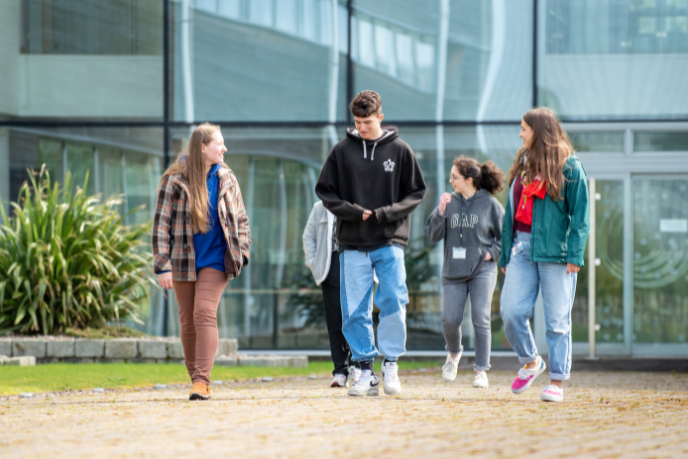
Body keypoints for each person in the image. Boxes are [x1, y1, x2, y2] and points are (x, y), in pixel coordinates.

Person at [315, 90, 426, 397]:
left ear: (380, 117)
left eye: (367, 121)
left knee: (393, 301)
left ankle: (390, 363)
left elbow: (416, 193)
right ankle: (364, 370)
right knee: (354, 310)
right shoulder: (341, 151)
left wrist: (386, 214)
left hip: (389, 240)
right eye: (357, 122)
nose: (362, 127)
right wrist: (352, 211)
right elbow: (325, 191)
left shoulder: (401, 151)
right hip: (352, 242)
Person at [152, 123, 251, 401]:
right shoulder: (174, 180)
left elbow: (240, 218)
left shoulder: (227, 178)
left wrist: (241, 251)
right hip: (183, 260)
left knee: (204, 313)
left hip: (217, 259)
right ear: (202, 148)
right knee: (187, 321)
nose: (224, 148)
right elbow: (161, 225)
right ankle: (196, 376)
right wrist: (163, 265)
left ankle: (201, 380)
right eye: (219, 143)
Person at [499, 107, 589, 403]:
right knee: (510, 312)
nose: (520, 133)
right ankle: (530, 361)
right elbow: (510, 214)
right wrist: (504, 255)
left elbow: (581, 215)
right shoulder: (524, 164)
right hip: (522, 249)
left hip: (557, 253)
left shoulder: (570, 166)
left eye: (524, 128)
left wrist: (575, 254)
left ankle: (557, 382)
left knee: (556, 321)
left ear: (538, 130)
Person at [426, 156, 505, 389]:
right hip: (453, 270)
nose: (450, 180)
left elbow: (504, 236)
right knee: (450, 320)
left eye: (454, 177)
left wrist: (492, 253)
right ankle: (453, 354)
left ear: (469, 179)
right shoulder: (449, 201)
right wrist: (440, 211)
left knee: (480, 317)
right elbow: (432, 234)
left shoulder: (490, 205)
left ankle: (481, 370)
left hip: (482, 269)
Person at [303, 200, 351, 388]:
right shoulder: (320, 207)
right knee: (335, 321)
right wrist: (314, 264)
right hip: (330, 267)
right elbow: (308, 236)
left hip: (354, 265)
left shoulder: (356, 200)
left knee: (356, 318)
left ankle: (358, 366)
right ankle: (340, 370)